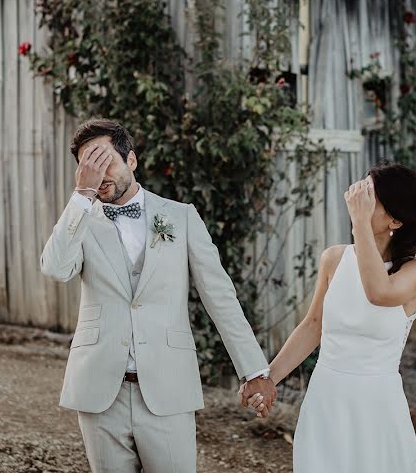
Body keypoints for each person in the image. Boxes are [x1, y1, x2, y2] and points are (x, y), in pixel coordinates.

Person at [39, 118, 276, 473]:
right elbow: (56, 269)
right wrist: (82, 197)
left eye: (106, 162)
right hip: (100, 390)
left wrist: (253, 370)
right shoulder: (79, 219)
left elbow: (220, 296)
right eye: (89, 167)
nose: (99, 175)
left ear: (131, 161)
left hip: (168, 387)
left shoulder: (180, 217)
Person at [242, 163, 416, 472]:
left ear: (395, 220)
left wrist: (359, 221)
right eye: (363, 188)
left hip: (376, 407)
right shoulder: (334, 259)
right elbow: (312, 326)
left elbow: (378, 292)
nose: (358, 198)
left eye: (370, 196)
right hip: (326, 399)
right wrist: (268, 379)